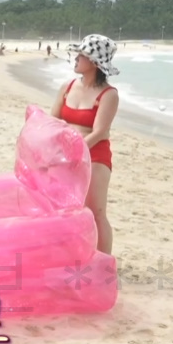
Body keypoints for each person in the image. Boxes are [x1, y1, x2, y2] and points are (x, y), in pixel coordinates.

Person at [50, 34, 120, 255]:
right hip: (64, 154)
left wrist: (76, 151)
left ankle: (104, 261)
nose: (76, 58)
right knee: (63, 209)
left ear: (95, 63)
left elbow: (99, 132)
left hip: (94, 154)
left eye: (81, 55)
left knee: (96, 211)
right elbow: (53, 121)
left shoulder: (108, 94)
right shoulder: (67, 86)